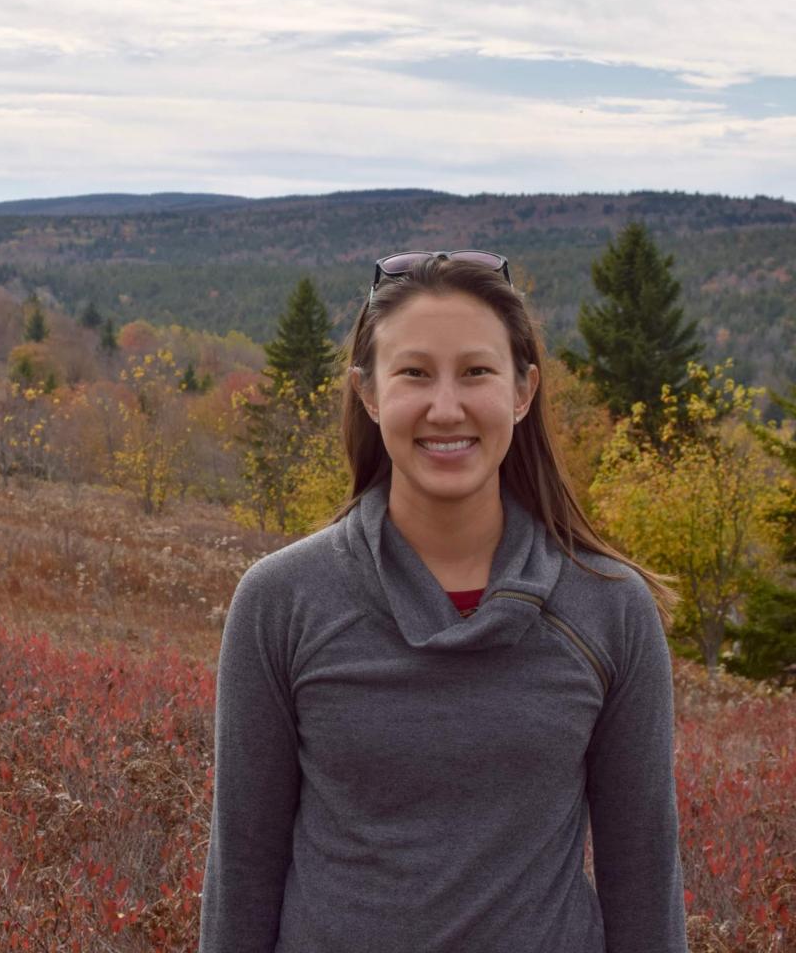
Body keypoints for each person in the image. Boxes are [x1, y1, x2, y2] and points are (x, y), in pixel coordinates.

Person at [198, 250, 690, 953]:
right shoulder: (281, 602)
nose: (446, 407)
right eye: (415, 373)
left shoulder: (609, 609)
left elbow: (643, 882)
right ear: (369, 394)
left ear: (524, 392)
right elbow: (242, 874)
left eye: (477, 372)